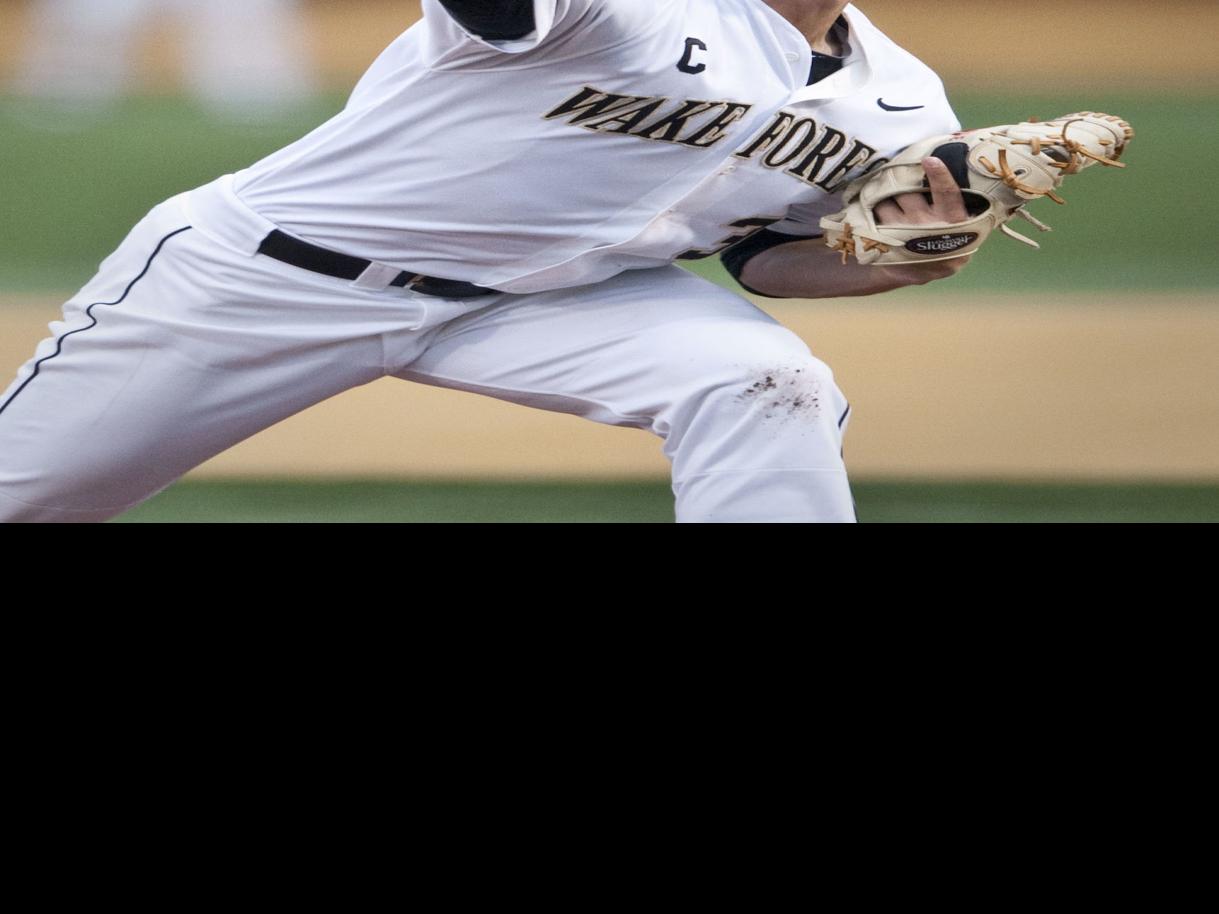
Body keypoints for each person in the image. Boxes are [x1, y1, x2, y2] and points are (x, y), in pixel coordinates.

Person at [0, 0, 971, 523]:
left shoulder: (904, 103)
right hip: (270, 276)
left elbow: (761, 253)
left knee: (762, 378)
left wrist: (886, 261)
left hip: (548, 303)